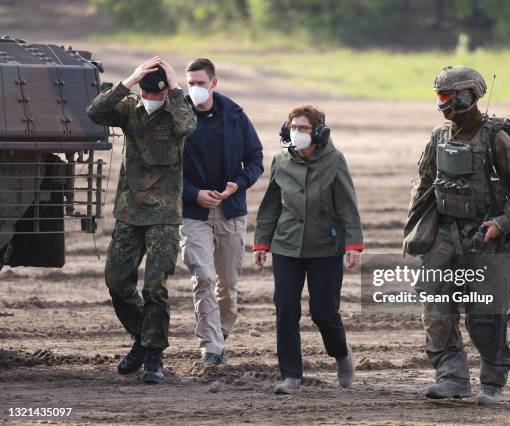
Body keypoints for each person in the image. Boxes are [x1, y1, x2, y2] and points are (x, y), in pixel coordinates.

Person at [407, 65, 510, 405]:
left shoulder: (496, 137)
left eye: (448, 96)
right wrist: (419, 230)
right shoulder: (438, 137)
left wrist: (501, 224)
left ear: (468, 95)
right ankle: (451, 377)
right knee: (435, 308)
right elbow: (423, 184)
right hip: (445, 233)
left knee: (485, 317)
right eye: (439, 96)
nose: (443, 103)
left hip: (485, 236)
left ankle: (492, 380)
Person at [87, 57, 196, 384]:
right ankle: (143, 337)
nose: (149, 100)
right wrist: (129, 81)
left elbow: (187, 126)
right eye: (146, 94)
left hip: (164, 215)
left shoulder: (175, 111)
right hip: (130, 211)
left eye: (156, 95)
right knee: (117, 281)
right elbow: (95, 112)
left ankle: (153, 355)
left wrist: (176, 90)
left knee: (155, 287)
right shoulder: (130, 108)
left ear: (164, 94)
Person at [253, 106, 364, 394]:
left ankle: (341, 354)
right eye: (293, 127)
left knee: (324, 312)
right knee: (286, 309)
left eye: (303, 128)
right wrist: (262, 242)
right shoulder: (280, 160)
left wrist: (353, 244)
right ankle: (291, 375)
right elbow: (271, 205)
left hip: (325, 246)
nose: (296, 133)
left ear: (318, 132)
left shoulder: (335, 161)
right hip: (286, 245)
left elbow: (347, 206)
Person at [180, 58, 263, 365]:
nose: (195, 89)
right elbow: (166, 168)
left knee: (227, 284)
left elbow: (255, 158)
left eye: (200, 83)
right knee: (202, 275)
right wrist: (194, 194)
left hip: (230, 209)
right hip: (193, 213)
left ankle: (221, 330)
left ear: (213, 83)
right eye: (190, 83)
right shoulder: (178, 116)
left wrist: (237, 185)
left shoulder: (235, 116)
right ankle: (211, 346)